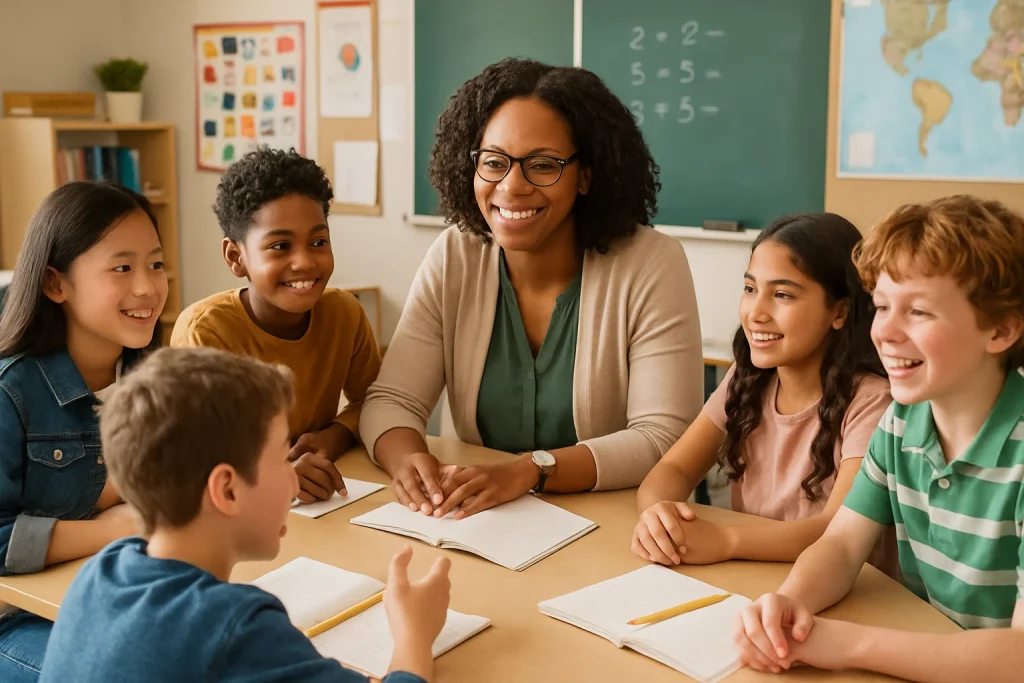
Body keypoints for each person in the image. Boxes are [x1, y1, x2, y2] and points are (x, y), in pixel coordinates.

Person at [360, 58, 703, 519]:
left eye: (543, 165)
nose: (512, 186)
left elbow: (663, 436)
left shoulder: (650, 263)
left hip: (613, 528)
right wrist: (408, 461)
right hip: (478, 523)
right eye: (495, 163)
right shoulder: (455, 255)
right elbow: (391, 401)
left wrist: (534, 470)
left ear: (586, 175)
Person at [734, 196, 1024, 681]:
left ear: (1001, 329)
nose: (884, 331)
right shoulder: (902, 421)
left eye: (919, 312)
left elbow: (1018, 656)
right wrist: (790, 602)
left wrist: (848, 643)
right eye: (883, 306)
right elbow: (842, 546)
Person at [40, 348, 451, 683]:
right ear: (228, 489)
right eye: (280, 459)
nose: (294, 482)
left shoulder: (101, 572)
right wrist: (414, 632)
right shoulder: (239, 627)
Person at [632, 213, 893, 571]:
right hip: (752, 575)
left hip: (841, 591)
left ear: (839, 311)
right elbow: (674, 468)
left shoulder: (872, 401)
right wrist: (657, 516)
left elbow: (837, 528)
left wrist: (726, 540)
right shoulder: (749, 377)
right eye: (751, 289)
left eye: (782, 294)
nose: (756, 312)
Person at [0, 182, 166, 681]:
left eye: (155, 264)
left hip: (108, 595)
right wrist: (110, 530)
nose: (147, 287)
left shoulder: (155, 379)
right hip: (17, 622)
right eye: (122, 268)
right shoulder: (12, 392)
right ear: (56, 284)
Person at [172, 147, 381, 503]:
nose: (304, 262)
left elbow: (376, 401)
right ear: (236, 258)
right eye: (280, 246)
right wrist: (274, 476)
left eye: (318, 242)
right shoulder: (204, 333)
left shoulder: (345, 313)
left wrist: (332, 437)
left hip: (322, 502)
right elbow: (195, 453)